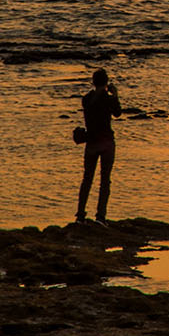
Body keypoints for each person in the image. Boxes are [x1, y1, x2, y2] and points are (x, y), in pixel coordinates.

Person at [76, 67, 121, 224]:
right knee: (105, 180)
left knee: (87, 179)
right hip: (107, 142)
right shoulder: (108, 99)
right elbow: (117, 113)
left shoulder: (86, 99)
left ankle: (80, 215)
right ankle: (100, 216)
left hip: (91, 143)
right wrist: (115, 94)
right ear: (106, 82)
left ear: (93, 82)